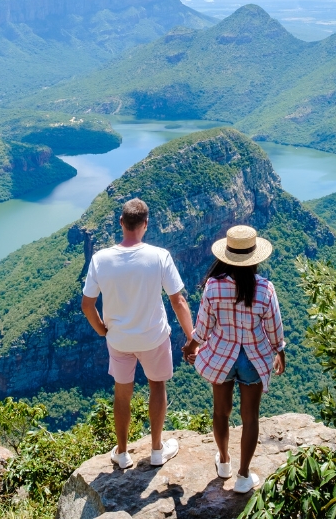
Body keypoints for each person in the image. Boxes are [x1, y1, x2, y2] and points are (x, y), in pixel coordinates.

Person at [81, 198, 195, 470]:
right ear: (145, 224)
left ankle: (122, 454)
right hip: (153, 338)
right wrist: (192, 338)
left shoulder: (100, 259)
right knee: (157, 386)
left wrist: (102, 331)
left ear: (121, 223)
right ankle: (156, 450)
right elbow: (178, 301)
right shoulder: (159, 256)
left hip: (118, 340)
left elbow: (87, 305)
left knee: (122, 395)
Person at [181, 225, 285, 494]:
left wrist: (189, 347)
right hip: (253, 359)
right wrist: (279, 352)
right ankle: (243, 475)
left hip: (221, 357)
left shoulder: (213, 286)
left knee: (220, 412)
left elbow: (203, 328)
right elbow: (274, 328)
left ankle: (224, 462)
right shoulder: (265, 289)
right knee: (250, 417)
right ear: (254, 258)